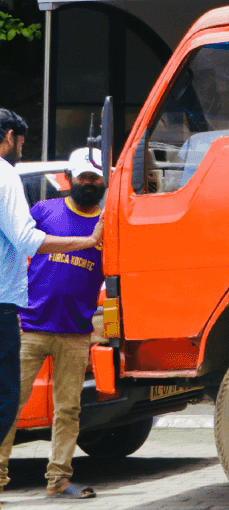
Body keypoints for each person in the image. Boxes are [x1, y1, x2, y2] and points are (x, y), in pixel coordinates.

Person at [0, 112, 102, 499]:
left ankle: (59, 479)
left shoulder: (109, 224)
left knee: (68, 410)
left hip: (75, 332)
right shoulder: (44, 211)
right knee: (10, 405)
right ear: (70, 179)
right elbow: (21, 245)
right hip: (30, 324)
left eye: (95, 178)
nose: (89, 184)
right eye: (83, 177)